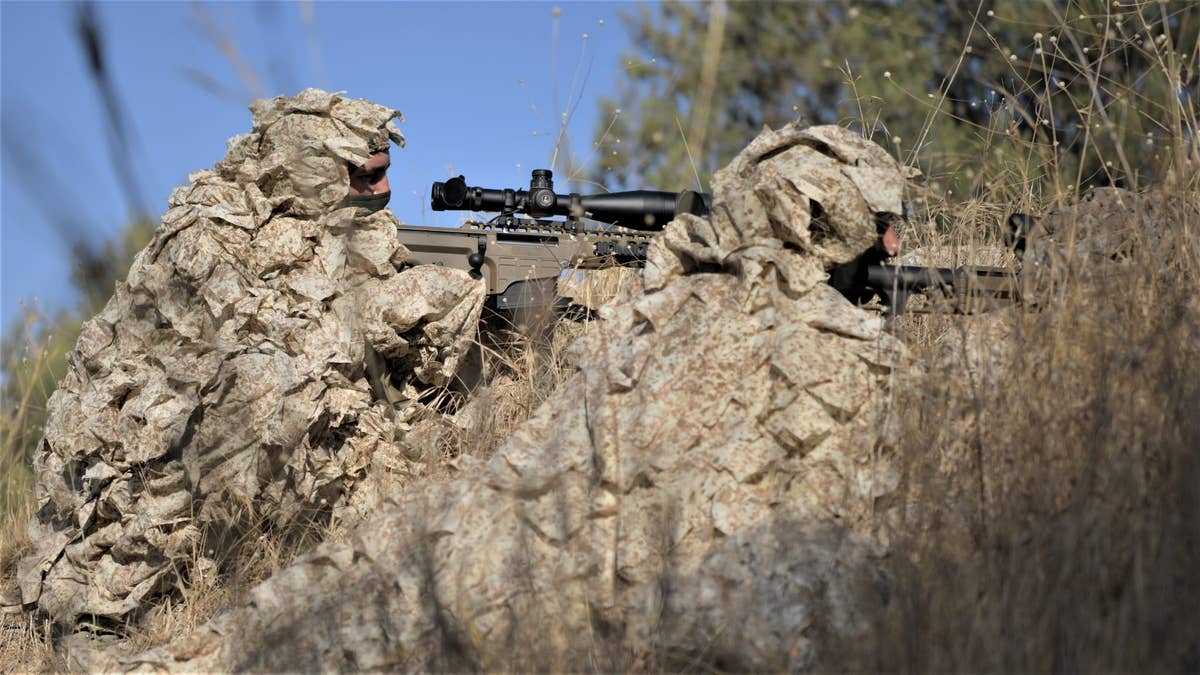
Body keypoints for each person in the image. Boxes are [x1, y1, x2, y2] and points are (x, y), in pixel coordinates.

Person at [11, 90, 485, 642]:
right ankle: (97, 620)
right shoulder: (209, 228)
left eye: (384, 173)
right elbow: (264, 355)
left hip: (247, 443)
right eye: (362, 177)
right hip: (142, 448)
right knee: (260, 397)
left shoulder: (343, 228)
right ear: (307, 170)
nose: (380, 190)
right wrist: (398, 308)